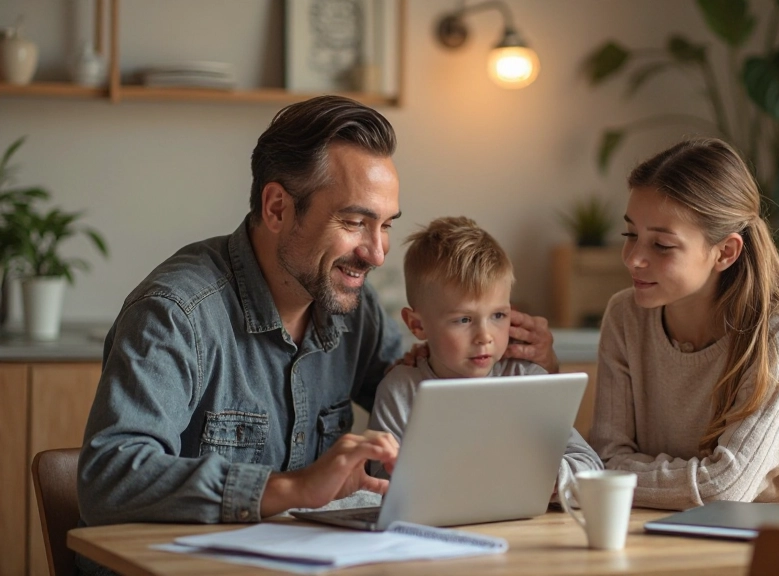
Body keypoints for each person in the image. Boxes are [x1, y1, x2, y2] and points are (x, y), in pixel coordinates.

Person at [77, 95, 560, 546]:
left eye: (386, 225)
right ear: (278, 209)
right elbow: (110, 478)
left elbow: (435, 396)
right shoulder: (176, 313)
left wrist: (521, 366)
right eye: (354, 223)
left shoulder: (353, 307)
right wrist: (291, 488)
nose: (376, 253)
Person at [589, 137, 779, 510]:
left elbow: (724, 488)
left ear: (725, 252)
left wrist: (616, 478)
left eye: (662, 245)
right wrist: (682, 479)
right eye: (630, 235)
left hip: (755, 553)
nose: (634, 258)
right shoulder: (625, 316)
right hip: (647, 541)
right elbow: (604, 459)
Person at [368, 216, 602, 487]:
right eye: (464, 320)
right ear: (417, 325)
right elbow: (380, 484)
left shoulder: (527, 380)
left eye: (498, 315)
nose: (484, 337)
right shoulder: (400, 391)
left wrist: (541, 475)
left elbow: (590, 464)